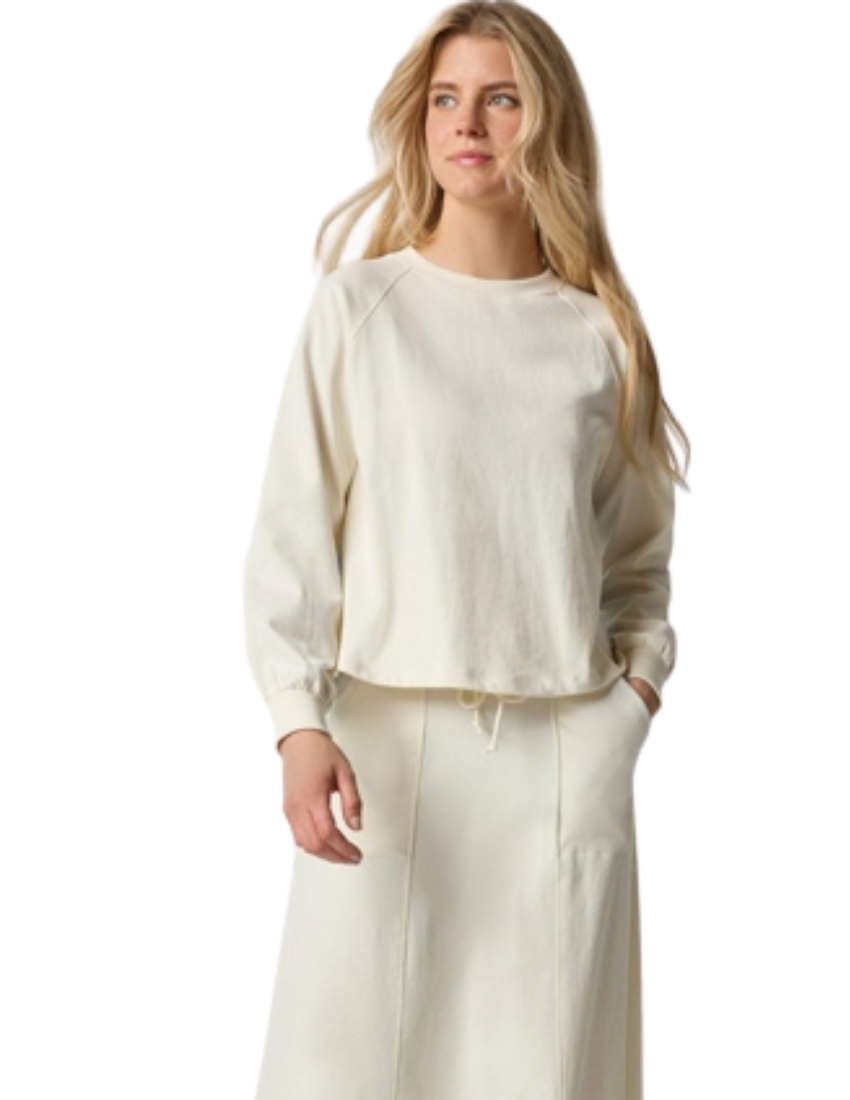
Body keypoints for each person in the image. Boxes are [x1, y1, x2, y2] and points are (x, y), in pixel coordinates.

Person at [241, 2, 690, 1097]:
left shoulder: (600, 335)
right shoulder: (360, 310)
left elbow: (636, 562)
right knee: (345, 1069)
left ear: (548, 122)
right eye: (446, 98)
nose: (467, 123)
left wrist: (627, 704)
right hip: (384, 760)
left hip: (561, 757)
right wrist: (298, 724)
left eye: (500, 98)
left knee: (544, 1070)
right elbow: (293, 539)